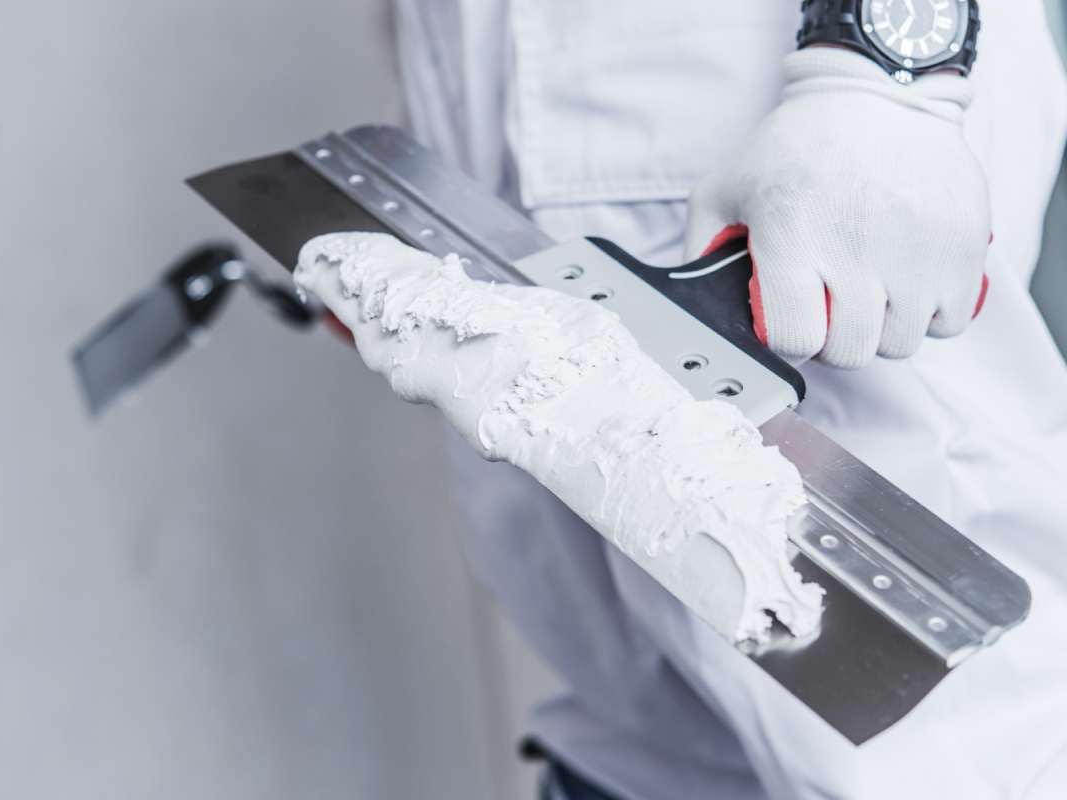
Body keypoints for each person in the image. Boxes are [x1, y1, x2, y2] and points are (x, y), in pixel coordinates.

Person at [394, 1, 1067, 798]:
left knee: (933, 727)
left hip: (810, 103)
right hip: (510, 82)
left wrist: (892, 70)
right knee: (651, 678)